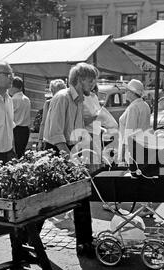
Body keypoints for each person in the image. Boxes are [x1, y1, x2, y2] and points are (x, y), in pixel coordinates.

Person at [43, 62, 99, 258]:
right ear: (79, 79)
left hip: (70, 148)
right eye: (91, 80)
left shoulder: (79, 100)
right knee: (46, 199)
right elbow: (55, 132)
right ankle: (27, 236)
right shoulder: (62, 97)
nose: (94, 84)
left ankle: (85, 241)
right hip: (57, 150)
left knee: (81, 195)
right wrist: (68, 156)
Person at [118, 79, 151, 163]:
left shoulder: (133, 107)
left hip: (132, 149)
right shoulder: (145, 105)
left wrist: (122, 154)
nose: (126, 93)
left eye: (127, 91)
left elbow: (129, 131)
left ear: (132, 93)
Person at [38, 79, 67, 150]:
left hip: (50, 139)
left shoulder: (48, 103)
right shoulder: (68, 102)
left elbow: (43, 123)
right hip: (64, 139)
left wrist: (40, 140)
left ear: (52, 91)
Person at [9, 76, 31, 159]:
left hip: (15, 129)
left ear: (12, 87)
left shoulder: (13, 100)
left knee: (14, 155)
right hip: (25, 130)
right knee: (21, 153)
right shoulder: (27, 99)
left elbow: (9, 116)